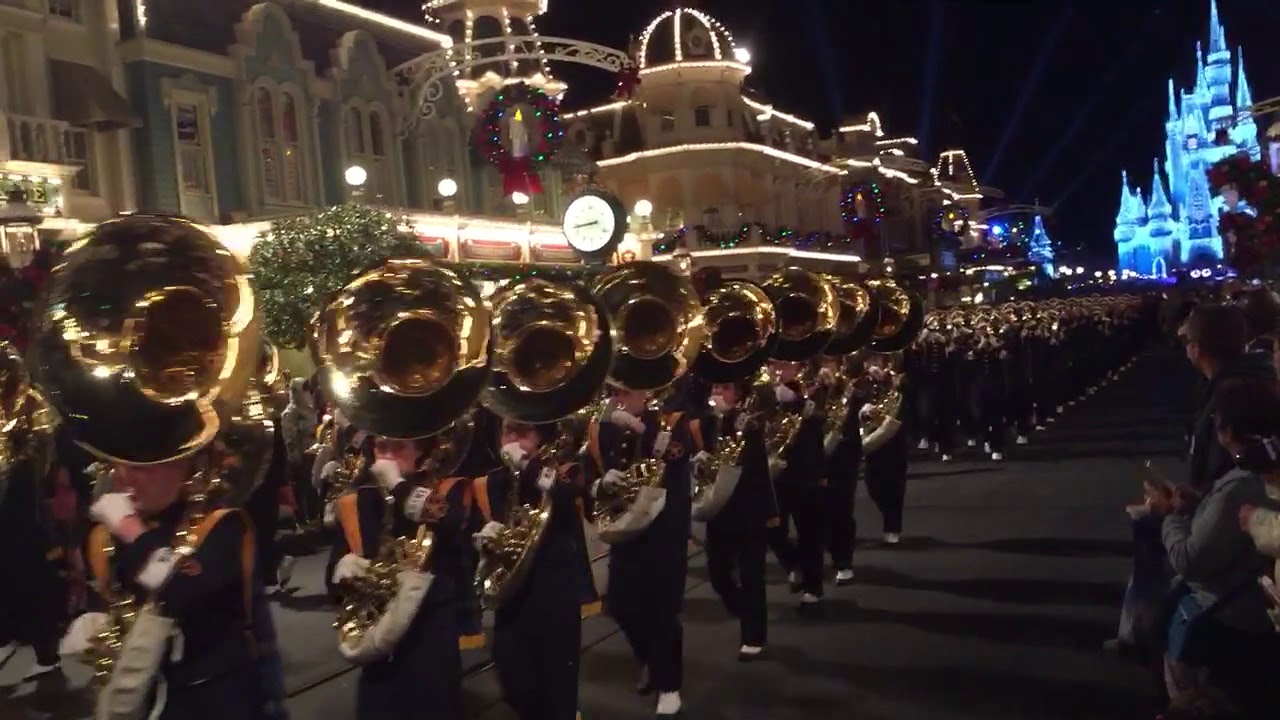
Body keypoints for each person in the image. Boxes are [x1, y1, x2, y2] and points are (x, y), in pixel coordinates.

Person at [63, 456, 269, 719]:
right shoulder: (111, 537)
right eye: (119, 465)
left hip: (214, 700)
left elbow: (183, 594)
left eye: (140, 465)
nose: (124, 476)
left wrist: (131, 530)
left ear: (183, 468)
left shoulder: (223, 524)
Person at [1156, 378, 1280, 715]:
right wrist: (1201, 506)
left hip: (1231, 622)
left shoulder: (1241, 486)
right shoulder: (1260, 474)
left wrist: (1170, 515)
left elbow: (1189, 559)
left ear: (1228, 430)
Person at [327, 434, 473, 720]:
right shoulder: (358, 501)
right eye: (382, 447)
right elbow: (333, 576)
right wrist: (341, 572)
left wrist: (399, 485)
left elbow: (450, 521)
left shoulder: (442, 489)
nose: (389, 455)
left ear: (419, 451)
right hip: (378, 635)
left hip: (429, 634)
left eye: (399, 447)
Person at [585, 383, 699, 718]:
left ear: (644, 392)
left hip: (664, 530)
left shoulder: (670, 421)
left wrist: (644, 431)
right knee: (622, 606)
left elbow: (676, 459)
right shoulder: (604, 427)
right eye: (614, 393)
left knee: (661, 610)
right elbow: (588, 467)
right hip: (626, 529)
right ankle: (650, 658)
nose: (617, 400)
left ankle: (669, 684)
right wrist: (596, 484)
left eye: (624, 393)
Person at [473, 419, 597, 720]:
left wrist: (527, 469)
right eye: (507, 431)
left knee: (557, 682)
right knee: (514, 679)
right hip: (511, 595)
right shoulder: (488, 482)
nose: (513, 439)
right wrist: (483, 537)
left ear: (540, 438)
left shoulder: (557, 473)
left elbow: (569, 502)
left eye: (523, 431)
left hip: (554, 592)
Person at [700, 379, 778, 660]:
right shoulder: (707, 421)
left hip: (747, 510)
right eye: (716, 387)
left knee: (751, 575)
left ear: (740, 393)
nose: (718, 392)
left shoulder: (750, 421)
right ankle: (744, 608)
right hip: (718, 508)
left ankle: (754, 636)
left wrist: (770, 512)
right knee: (718, 573)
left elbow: (758, 468)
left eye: (726, 388)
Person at [1179, 304, 1275, 492]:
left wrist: (1190, 506)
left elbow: (1223, 473)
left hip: (1231, 511)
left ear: (1196, 349)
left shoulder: (1231, 396)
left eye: (1187, 340)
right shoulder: (1253, 377)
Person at [764, 359, 827, 611]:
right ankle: (793, 564)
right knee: (772, 529)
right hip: (773, 472)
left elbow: (820, 422)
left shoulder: (811, 389)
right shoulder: (764, 394)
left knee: (809, 530)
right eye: (772, 365)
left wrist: (799, 401)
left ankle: (813, 586)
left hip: (804, 469)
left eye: (784, 365)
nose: (777, 371)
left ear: (797, 367)